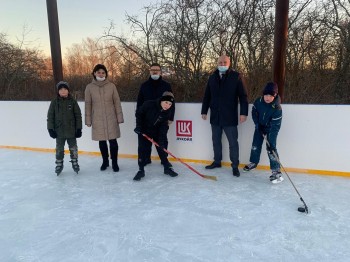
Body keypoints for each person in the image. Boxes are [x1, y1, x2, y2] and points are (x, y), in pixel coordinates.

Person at [201, 55, 249, 177]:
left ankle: (235, 166)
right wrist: (204, 110)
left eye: (225, 62)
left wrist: (244, 113)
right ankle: (217, 161)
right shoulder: (212, 77)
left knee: (233, 143)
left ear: (229, 63)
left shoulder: (236, 76)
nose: (222, 64)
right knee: (216, 141)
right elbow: (207, 95)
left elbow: (243, 96)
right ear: (217, 63)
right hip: (215, 117)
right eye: (220, 62)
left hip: (230, 117)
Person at [85, 64, 124, 172]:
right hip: (97, 119)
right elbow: (88, 104)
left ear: (106, 74)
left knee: (113, 142)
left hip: (111, 118)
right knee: (102, 142)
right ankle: (105, 162)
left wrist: (119, 117)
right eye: (98, 72)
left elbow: (117, 102)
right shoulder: (89, 87)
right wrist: (88, 120)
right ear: (94, 73)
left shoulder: (111, 86)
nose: (101, 74)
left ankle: (115, 163)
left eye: (103, 72)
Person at [243, 82, 283, 183]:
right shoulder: (259, 101)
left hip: (271, 129)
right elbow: (254, 112)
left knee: (271, 148)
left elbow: (275, 126)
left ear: (274, 96)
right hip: (260, 126)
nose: (267, 97)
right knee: (255, 144)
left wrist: (271, 140)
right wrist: (257, 124)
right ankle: (254, 162)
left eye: (270, 95)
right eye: (266, 95)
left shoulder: (277, 108)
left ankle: (276, 170)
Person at [133, 92, 178, 181]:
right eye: (166, 102)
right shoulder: (149, 104)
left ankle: (167, 168)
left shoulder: (167, 112)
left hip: (156, 131)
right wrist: (138, 126)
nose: (167, 105)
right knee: (142, 149)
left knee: (162, 148)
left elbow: (164, 127)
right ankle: (141, 170)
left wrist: (161, 141)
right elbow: (139, 114)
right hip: (144, 130)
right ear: (162, 100)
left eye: (170, 104)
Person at [136, 63, 175, 166]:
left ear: (160, 72)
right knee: (145, 142)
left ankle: (164, 160)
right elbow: (139, 103)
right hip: (146, 120)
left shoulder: (166, 85)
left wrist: (170, 117)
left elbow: (172, 102)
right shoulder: (144, 86)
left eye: (157, 70)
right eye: (153, 70)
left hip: (161, 119)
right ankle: (146, 159)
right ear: (149, 71)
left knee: (162, 140)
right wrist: (139, 118)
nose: (155, 71)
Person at [47, 81, 82, 175]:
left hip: (72, 131)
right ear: (58, 91)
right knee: (59, 149)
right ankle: (59, 164)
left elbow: (78, 115)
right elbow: (50, 116)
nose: (63, 91)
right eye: (61, 89)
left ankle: (75, 162)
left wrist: (79, 129)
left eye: (65, 89)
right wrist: (50, 129)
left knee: (73, 148)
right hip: (59, 131)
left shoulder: (73, 101)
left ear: (68, 90)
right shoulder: (54, 102)